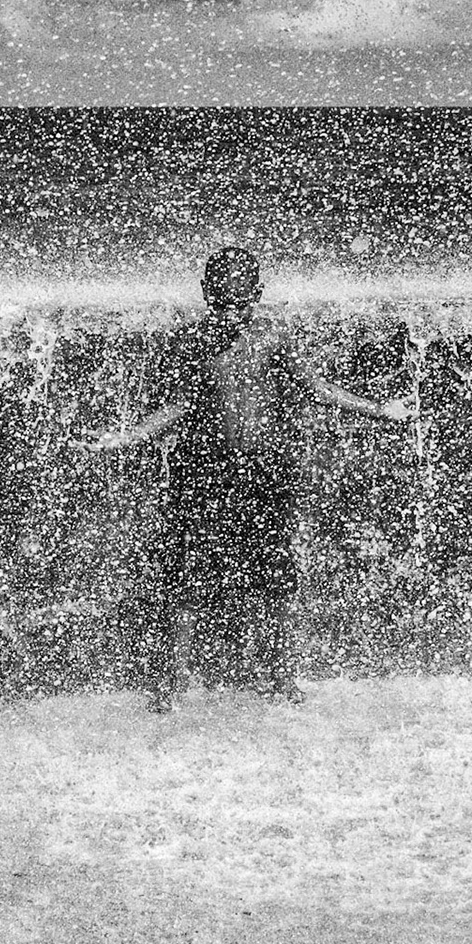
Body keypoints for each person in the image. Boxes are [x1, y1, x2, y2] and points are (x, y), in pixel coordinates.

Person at [79, 247, 414, 713]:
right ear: (206, 296)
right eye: (222, 302)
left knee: (275, 578)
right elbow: (179, 405)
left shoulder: (275, 336)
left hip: (267, 471)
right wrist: (128, 435)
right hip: (205, 471)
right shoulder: (189, 342)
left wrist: (380, 409)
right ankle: (172, 681)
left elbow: (316, 388)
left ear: (256, 294)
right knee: (188, 578)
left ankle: (280, 674)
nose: (231, 312)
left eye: (239, 302)